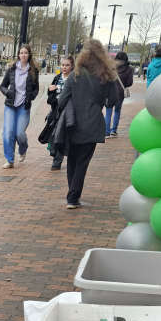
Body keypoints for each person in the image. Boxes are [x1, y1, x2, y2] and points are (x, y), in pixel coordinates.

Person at [56, 39, 119, 210]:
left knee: (72, 160)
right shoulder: (105, 76)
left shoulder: (75, 74)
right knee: (82, 162)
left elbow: (61, 100)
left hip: (73, 124)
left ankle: (72, 195)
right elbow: (112, 101)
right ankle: (73, 197)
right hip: (93, 124)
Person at [0, 44, 39, 169]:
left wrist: (31, 97)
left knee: (20, 134)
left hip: (24, 106)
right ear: (18, 54)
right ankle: (10, 160)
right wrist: (8, 92)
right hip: (10, 105)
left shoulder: (33, 71)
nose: (23, 55)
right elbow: (2, 86)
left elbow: (36, 88)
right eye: (21, 53)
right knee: (8, 132)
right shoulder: (12, 69)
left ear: (29, 55)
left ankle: (23, 149)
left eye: (26, 53)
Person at [46, 54, 74, 170]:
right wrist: (50, 90)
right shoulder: (57, 77)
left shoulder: (73, 79)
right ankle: (55, 154)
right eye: (63, 65)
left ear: (72, 66)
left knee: (59, 133)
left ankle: (57, 160)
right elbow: (50, 94)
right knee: (53, 133)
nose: (64, 67)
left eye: (67, 65)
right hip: (56, 110)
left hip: (67, 110)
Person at [105, 51, 134, 138]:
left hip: (110, 92)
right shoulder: (129, 69)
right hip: (120, 93)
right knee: (117, 111)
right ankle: (114, 131)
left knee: (108, 111)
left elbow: (106, 79)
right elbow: (129, 83)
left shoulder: (110, 67)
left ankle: (106, 132)